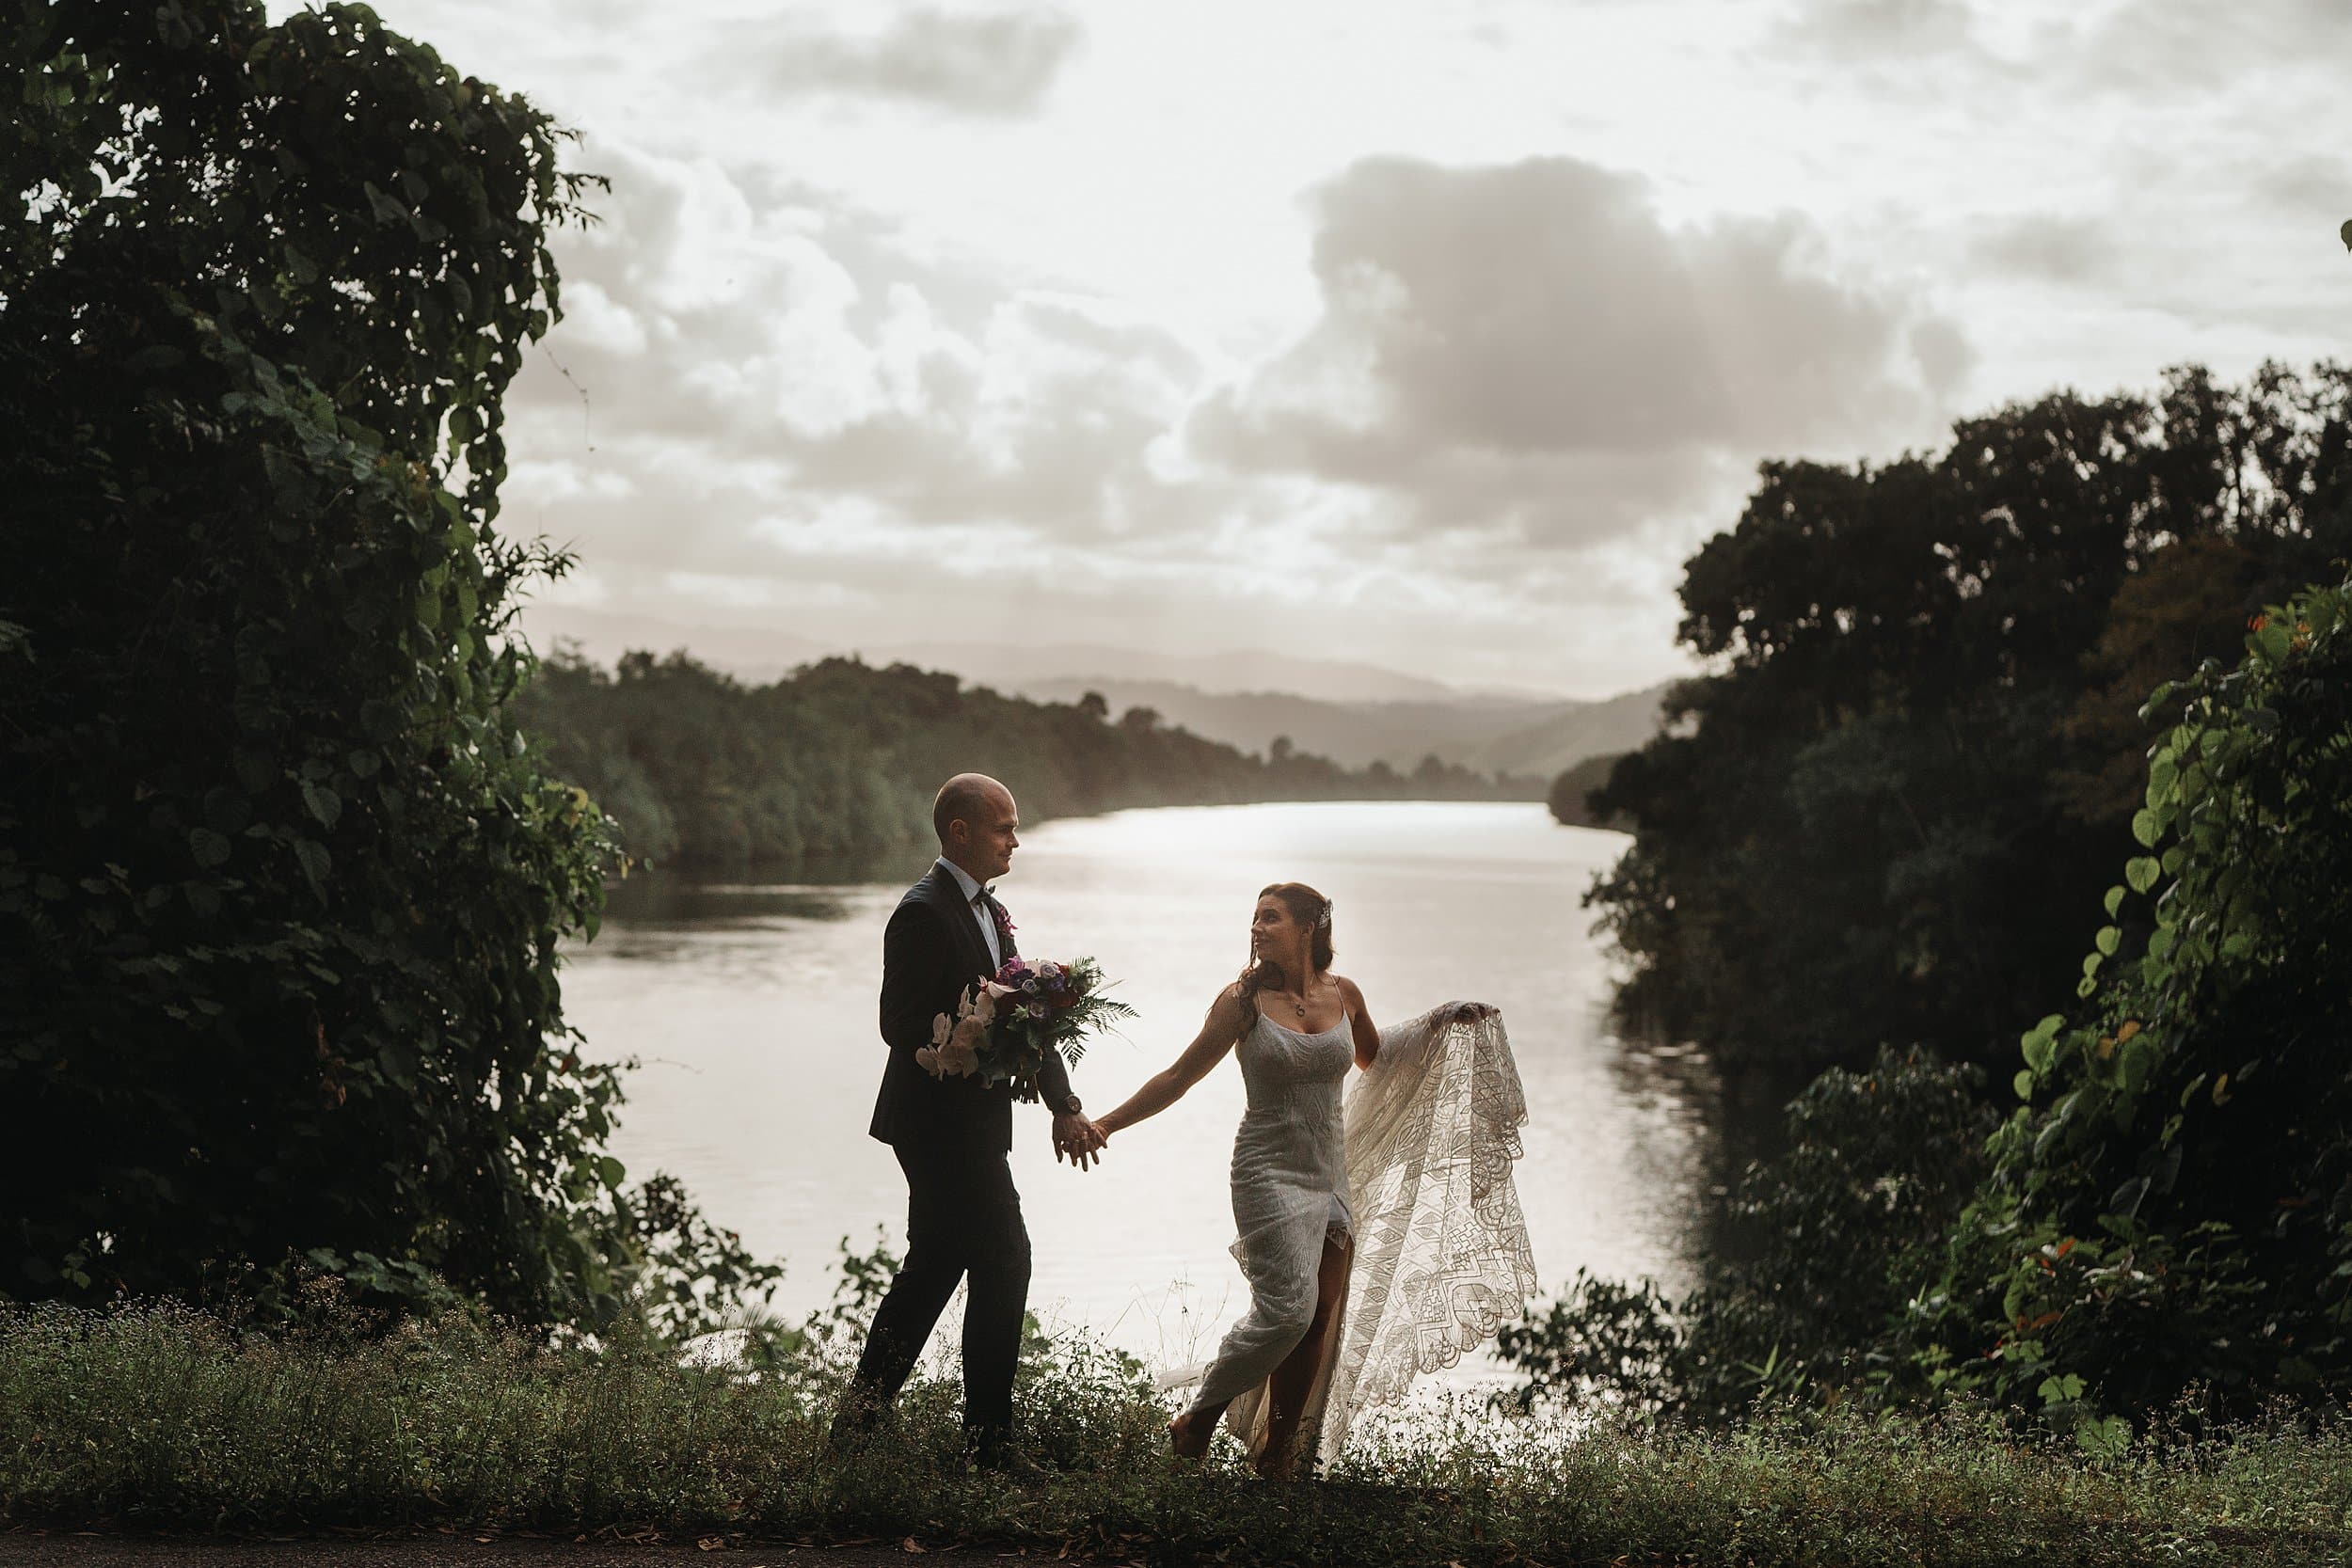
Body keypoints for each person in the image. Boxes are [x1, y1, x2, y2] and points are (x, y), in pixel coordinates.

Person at [1089, 881, 1521, 1478]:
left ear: (1308, 929)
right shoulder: (1240, 1003)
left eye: (1271, 918)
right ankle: (1202, 1418)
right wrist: (1106, 1124)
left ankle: (1279, 1456)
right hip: (1266, 1170)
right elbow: (1179, 1076)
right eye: (1255, 918)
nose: (1257, 928)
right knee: (1288, 1312)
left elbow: (1378, 1057)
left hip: (1330, 1174)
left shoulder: (1344, 995)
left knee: (1319, 1317)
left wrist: (1444, 1022)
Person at [830, 772, 1105, 1470]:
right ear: (961, 831)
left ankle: (854, 1430)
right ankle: (988, 1444)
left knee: (933, 1269)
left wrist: (1062, 1100)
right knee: (1006, 1256)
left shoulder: (992, 909)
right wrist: (976, 1034)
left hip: (972, 1126)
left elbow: (1025, 1014)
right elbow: (898, 1024)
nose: (1016, 838)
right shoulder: (923, 911)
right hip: (936, 1126)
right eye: (1003, 826)